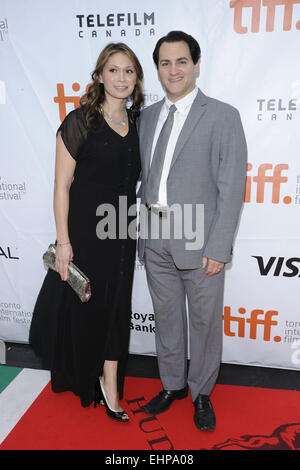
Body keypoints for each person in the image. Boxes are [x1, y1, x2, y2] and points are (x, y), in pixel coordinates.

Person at [138, 31, 247, 431]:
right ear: (158, 69)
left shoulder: (222, 115)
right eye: (165, 63)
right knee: (166, 318)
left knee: (203, 322)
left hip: (201, 243)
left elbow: (232, 187)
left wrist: (219, 247)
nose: (173, 70)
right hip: (155, 239)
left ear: (197, 64)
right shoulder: (147, 118)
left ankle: (202, 393)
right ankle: (172, 386)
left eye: (181, 61)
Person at [29, 43, 144, 422]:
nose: (121, 78)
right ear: (99, 76)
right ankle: (89, 374)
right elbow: (62, 185)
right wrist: (64, 242)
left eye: (129, 71)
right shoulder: (80, 121)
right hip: (86, 229)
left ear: (136, 79)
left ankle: (110, 380)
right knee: (88, 303)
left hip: (123, 229)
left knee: (117, 306)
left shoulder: (137, 125)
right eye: (114, 70)